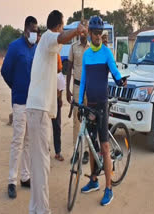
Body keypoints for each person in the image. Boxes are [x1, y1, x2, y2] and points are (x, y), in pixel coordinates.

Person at [25, 10, 87, 214]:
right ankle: (43, 210)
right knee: (42, 163)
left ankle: (35, 208)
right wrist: (76, 31)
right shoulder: (49, 38)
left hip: (37, 109)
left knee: (37, 162)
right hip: (39, 110)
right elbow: (61, 37)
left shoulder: (48, 45)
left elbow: (60, 41)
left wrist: (76, 33)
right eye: (62, 25)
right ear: (58, 25)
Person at [78, 16, 126, 206]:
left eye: (100, 33)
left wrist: (121, 80)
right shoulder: (87, 55)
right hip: (90, 106)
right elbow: (83, 81)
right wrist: (80, 102)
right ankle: (94, 181)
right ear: (89, 34)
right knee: (91, 145)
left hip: (102, 105)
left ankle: (109, 189)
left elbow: (114, 71)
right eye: (95, 33)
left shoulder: (107, 53)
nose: (97, 36)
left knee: (104, 147)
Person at [1, 16, 38, 199]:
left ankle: (25, 177)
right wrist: (15, 86)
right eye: (32, 30)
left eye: (36, 31)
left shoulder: (36, 48)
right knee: (18, 140)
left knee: (29, 141)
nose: (34, 34)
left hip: (33, 103)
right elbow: (5, 71)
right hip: (20, 101)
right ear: (25, 30)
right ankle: (11, 181)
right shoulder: (15, 47)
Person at [66, 23, 90, 164]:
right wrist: (68, 90)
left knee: (88, 119)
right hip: (76, 88)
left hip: (89, 88)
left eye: (85, 31)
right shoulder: (73, 47)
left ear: (87, 32)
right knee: (76, 120)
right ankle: (76, 151)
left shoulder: (92, 48)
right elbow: (68, 69)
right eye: (80, 32)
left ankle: (86, 151)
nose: (83, 34)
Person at [52, 54, 65, 161]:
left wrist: (60, 98)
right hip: (45, 100)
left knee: (57, 126)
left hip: (55, 99)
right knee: (45, 127)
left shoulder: (56, 55)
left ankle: (58, 151)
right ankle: (45, 150)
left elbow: (60, 74)